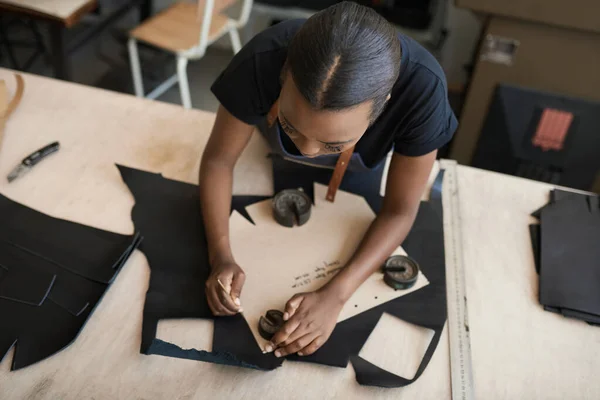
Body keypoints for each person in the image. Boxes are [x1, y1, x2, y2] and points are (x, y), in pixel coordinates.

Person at [200, 2, 457, 358]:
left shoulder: (422, 90)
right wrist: (220, 254)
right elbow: (218, 161)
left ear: (384, 104)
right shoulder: (263, 57)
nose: (307, 152)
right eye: (291, 126)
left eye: (333, 144)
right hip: (266, 162)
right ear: (283, 74)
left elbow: (400, 209)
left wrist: (336, 294)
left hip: (359, 176)